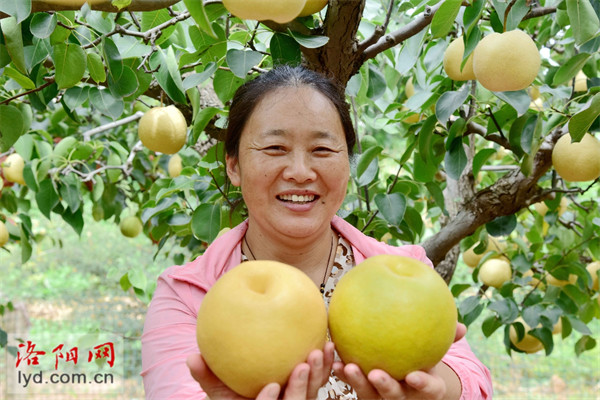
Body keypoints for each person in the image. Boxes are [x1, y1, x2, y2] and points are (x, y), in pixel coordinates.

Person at [141, 65, 493, 399]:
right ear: (234, 166)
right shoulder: (188, 294)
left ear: (348, 164)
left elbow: (471, 380)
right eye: (275, 148)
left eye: (322, 149)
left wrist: (437, 390)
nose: (300, 171)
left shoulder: (404, 271)